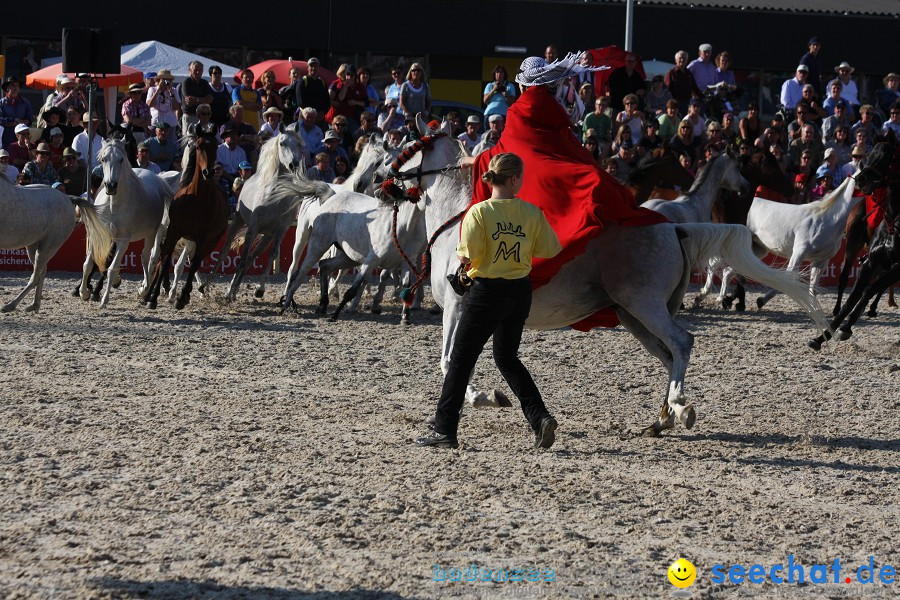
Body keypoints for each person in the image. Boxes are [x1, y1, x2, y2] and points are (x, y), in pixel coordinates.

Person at [416, 152, 562, 449]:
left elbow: (465, 255)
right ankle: (539, 417)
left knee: (460, 361)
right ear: (513, 179)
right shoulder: (532, 213)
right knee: (507, 358)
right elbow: (549, 249)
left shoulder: (479, 212)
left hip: (486, 292)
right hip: (519, 292)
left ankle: (445, 430)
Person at [1, 76, 35, 149]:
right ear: (7, 88)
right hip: (7, 137)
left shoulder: (25, 102)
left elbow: (30, 119)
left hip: (22, 138)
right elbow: (0, 120)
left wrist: (22, 123)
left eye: (17, 86)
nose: (15, 88)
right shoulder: (1, 103)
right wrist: (14, 120)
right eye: (13, 86)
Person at [180, 60, 213, 135]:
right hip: (190, 116)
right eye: (196, 70)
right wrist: (203, 100)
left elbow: (209, 100)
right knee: (188, 140)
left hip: (203, 117)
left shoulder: (205, 83)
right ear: (190, 71)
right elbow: (189, 101)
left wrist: (196, 99)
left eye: (200, 70)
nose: (198, 72)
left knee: (203, 138)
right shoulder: (186, 82)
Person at [665, 51, 702, 116]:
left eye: (684, 58)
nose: (682, 60)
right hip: (676, 105)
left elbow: (694, 87)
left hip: (688, 104)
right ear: (676, 60)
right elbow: (666, 89)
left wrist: (702, 97)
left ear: (687, 60)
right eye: (680, 58)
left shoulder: (688, 73)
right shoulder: (671, 73)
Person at [296, 57, 330, 123]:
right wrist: (312, 114)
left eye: (316, 66)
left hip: (319, 118)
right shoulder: (303, 81)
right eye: (311, 66)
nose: (313, 68)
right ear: (307, 68)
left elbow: (327, 101)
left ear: (319, 68)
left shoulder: (322, 82)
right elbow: (300, 102)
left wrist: (322, 113)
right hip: (305, 117)